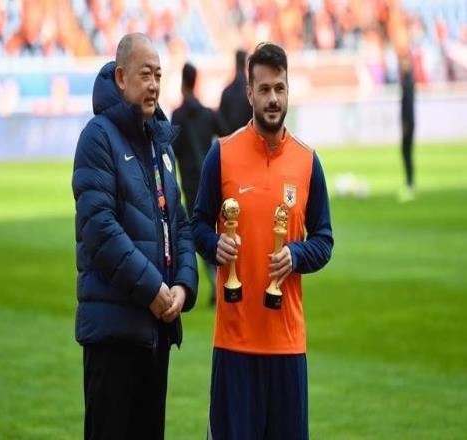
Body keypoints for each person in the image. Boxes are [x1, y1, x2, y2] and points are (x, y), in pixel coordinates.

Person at [191, 42, 334, 439]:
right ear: (249, 93)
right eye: (265, 89)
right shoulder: (222, 154)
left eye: (280, 88)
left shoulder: (308, 162)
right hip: (234, 345)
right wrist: (213, 244)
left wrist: (297, 254)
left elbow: (324, 239)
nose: (273, 98)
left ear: (288, 91)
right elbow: (196, 224)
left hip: (287, 345)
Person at [72, 33, 198, 440]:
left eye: (159, 75)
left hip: (155, 331)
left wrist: (182, 286)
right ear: (122, 77)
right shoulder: (97, 137)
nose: (154, 85)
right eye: (146, 75)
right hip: (114, 334)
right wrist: (152, 289)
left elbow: (179, 222)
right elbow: (100, 229)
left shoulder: (160, 141)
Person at [171, 62, 226, 306]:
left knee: (199, 232)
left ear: (183, 84)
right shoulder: (206, 113)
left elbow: (171, 149)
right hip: (213, 178)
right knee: (213, 230)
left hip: (191, 181)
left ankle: (217, 282)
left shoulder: (178, 115)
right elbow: (226, 134)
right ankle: (222, 280)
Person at [219, 49, 253, 135]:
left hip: (230, 139)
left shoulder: (227, 91)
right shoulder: (251, 92)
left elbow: (221, 122)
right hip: (247, 139)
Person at [398, 50, 416, 202]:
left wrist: (406, 123)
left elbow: (408, 105)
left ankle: (410, 184)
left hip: (408, 123)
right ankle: (410, 183)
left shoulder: (408, 81)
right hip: (408, 122)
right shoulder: (407, 80)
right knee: (406, 153)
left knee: (406, 153)